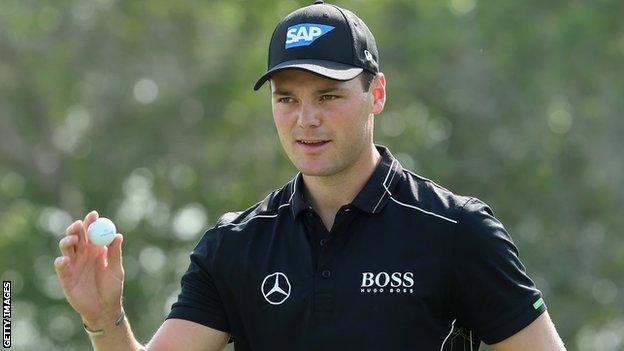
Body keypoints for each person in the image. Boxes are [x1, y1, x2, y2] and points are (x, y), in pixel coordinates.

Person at [54, 1, 567, 350]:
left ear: (377, 95)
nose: (306, 120)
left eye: (328, 96)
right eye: (287, 100)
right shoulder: (235, 245)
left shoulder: (458, 232)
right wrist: (105, 320)